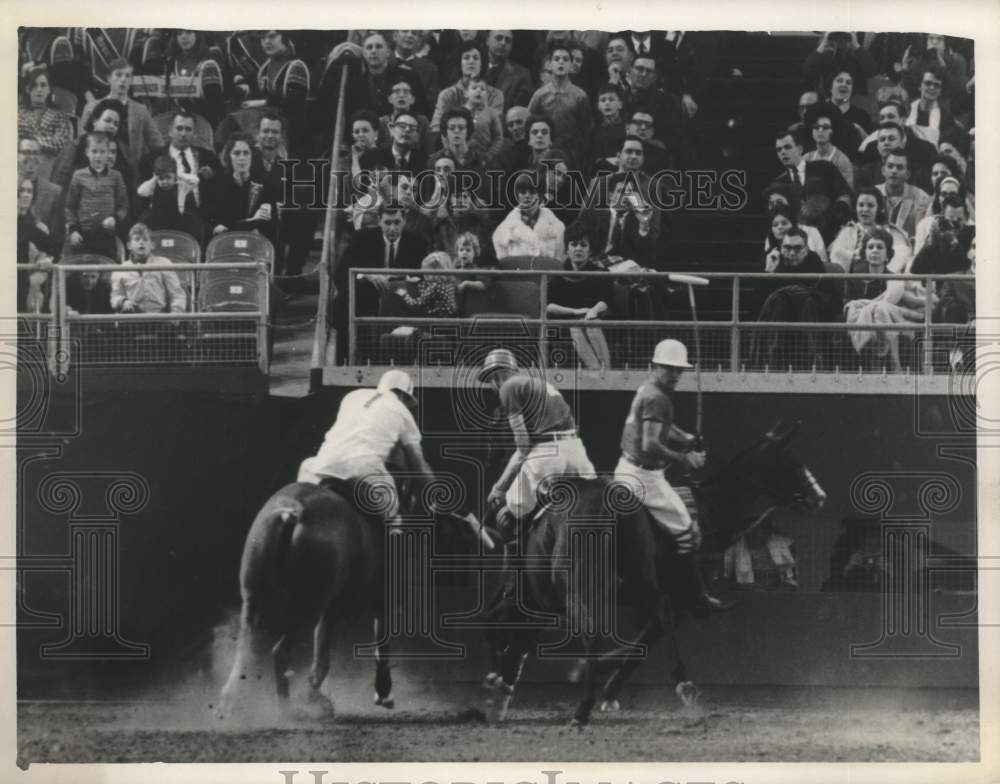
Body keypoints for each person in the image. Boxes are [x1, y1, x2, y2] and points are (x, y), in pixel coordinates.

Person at [612, 338, 731, 613]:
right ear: (654, 366)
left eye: (679, 370)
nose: (675, 374)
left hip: (625, 469)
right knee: (688, 531)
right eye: (669, 368)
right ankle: (695, 594)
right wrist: (685, 458)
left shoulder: (648, 388)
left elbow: (663, 425)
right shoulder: (658, 398)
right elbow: (650, 444)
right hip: (645, 479)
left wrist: (685, 437)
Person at [479, 348, 597, 540]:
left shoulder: (508, 388)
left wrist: (499, 488)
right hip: (576, 451)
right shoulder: (539, 384)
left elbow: (523, 449)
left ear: (494, 378)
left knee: (506, 518)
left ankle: (517, 559)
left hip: (548, 455)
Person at [296, 369, 436, 528]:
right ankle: (395, 533)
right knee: (394, 519)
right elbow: (419, 466)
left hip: (322, 464)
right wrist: (433, 494)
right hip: (363, 470)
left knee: (304, 478)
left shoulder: (351, 397)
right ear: (404, 396)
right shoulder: (403, 412)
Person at [843, 228, 930, 371]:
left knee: (882, 310)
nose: (875, 251)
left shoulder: (895, 280)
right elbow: (850, 306)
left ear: (888, 254)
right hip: (863, 321)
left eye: (880, 247)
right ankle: (887, 365)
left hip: (890, 322)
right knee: (879, 310)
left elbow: (904, 305)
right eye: (870, 247)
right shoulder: (855, 277)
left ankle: (888, 365)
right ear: (865, 252)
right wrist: (870, 309)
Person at [546, 222, 613, 369]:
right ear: (567, 249)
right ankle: (598, 371)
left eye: (583, 245)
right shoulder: (557, 276)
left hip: (593, 320)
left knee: (591, 324)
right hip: (567, 322)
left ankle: (606, 371)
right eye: (574, 244)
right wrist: (576, 311)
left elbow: (606, 300)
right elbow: (548, 306)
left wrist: (593, 311)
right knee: (576, 327)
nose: (578, 249)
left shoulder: (601, 273)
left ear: (590, 250)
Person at [79, 57, 163, 172]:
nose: (123, 80)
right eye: (118, 75)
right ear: (109, 78)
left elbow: (157, 144)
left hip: (130, 172)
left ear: (132, 80)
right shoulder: (91, 107)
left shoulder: (140, 110)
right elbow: (81, 143)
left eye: (127, 76)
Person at [527, 39, 593, 167]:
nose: (561, 62)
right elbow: (530, 123)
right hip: (545, 152)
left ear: (571, 65)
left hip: (572, 154)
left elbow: (586, 129)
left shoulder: (580, 96)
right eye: (557, 59)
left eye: (565, 59)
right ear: (549, 65)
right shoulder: (540, 95)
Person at [64, 131, 129, 260]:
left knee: (107, 268)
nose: (98, 156)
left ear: (108, 153)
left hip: (107, 236)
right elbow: (70, 207)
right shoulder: (78, 175)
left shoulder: (116, 176)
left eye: (102, 152)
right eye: (94, 152)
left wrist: (115, 218)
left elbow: (124, 206)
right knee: (83, 269)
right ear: (87, 152)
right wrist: (73, 230)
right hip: (83, 236)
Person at [110, 223, 187, 314]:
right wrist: (123, 302)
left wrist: (175, 313)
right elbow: (115, 296)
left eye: (145, 239)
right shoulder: (120, 270)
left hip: (159, 317)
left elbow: (177, 293)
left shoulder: (164, 264)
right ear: (129, 246)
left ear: (152, 245)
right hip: (132, 317)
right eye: (137, 239)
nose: (141, 242)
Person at [431, 41, 504, 135]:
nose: (471, 61)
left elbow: (496, 128)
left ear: (482, 63)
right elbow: (436, 127)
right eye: (466, 58)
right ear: (459, 63)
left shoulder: (496, 95)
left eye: (476, 58)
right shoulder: (447, 94)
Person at [18, 64, 76, 182]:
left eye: (43, 85)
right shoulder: (18, 114)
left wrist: (31, 141)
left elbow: (58, 144)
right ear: (27, 89)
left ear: (49, 90)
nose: (39, 89)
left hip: (46, 164)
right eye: (34, 85)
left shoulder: (59, 116)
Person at [492, 172, 565, 260]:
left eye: (532, 192)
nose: (527, 196)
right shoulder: (504, 229)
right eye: (523, 192)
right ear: (518, 195)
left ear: (540, 196)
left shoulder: (557, 227)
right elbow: (503, 262)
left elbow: (558, 261)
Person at [135, 154, 206, 241]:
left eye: (168, 177)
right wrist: (154, 179)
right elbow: (140, 191)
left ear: (174, 176)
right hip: (158, 225)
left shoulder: (182, 187)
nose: (165, 181)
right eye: (161, 178)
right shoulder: (153, 188)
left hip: (178, 224)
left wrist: (179, 174)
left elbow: (195, 180)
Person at [876, 150, 931, 240]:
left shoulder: (921, 198)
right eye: (890, 166)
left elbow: (922, 234)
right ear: (883, 170)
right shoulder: (872, 194)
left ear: (907, 174)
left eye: (900, 167)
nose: (894, 171)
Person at [395, 251, 459, 318]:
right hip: (450, 316)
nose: (425, 275)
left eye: (427, 273)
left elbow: (417, 303)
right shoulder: (449, 282)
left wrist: (404, 294)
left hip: (438, 317)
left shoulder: (435, 286)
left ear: (437, 271)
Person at [483, 30, 534, 111]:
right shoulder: (473, 67)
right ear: (487, 41)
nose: (503, 43)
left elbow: (518, 113)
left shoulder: (522, 76)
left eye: (508, 40)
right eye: (499, 38)